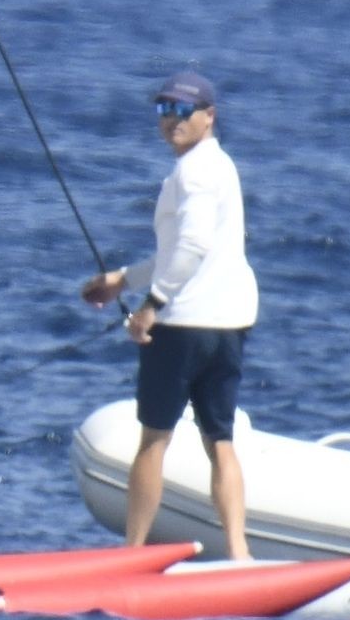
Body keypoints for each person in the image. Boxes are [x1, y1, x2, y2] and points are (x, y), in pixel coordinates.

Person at [79, 70, 259, 560]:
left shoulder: (191, 173)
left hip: (183, 327)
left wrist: (151, 306)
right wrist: (124, 279)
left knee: (154, 440)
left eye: (183, 110)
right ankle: (239, 553)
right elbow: (182, 251)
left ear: (209, 116)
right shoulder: (221, 166)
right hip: (229, 323)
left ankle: (133, 552)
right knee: (220, 440)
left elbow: (192, 246)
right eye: (164, 109)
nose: (171, 120)